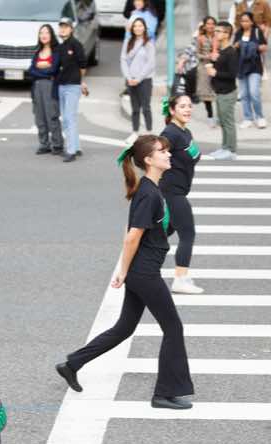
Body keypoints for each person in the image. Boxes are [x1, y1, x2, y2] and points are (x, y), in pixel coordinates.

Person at [55, 135, 195, 410]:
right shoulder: (148, 193)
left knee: (124, 327)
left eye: (167, 150)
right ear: (148, 160)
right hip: (145, 273)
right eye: (162, 151)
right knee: (173, 328)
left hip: (142, 270)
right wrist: (123, 270)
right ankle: (164, 394)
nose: (168, 154)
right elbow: (132, 236)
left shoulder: (151, 189)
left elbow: (137, 230)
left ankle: (72, 364)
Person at [160, 94, 203, 294]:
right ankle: (180, 279)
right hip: (172, 191)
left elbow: (193, 156)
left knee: (161, 233)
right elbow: (155, 155)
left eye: (189, 106)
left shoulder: (185, 132)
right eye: (182, 106)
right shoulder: (170, 133)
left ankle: (137, 264)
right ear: (172, 110)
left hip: (180, 189)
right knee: (187, 233)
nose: (187, 110)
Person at [55, 18, 89, 163]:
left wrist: (81, 82)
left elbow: (83, 65)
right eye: (61, 27)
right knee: (67, 118)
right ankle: (76, 146)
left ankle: (71, 151)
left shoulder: (76, 44)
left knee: (69, 118)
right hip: (61, 86)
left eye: (66, 27)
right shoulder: (60, 47)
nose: (63, 29)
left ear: (71, 29)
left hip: (73, 86)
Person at [29, 24, 63, 156]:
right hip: (36, 87)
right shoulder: (37, 52)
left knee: (52, 116)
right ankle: (44, 144)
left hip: (51, 86)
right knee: (39, 118)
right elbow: (31, 70)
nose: (43, 35)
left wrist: (40, 68)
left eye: (46, 32)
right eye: (41, 33)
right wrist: (44, 69)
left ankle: (57, 145)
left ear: (51, 35)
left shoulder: (56, 51)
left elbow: (53, 70)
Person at [207, 21, 238, 160]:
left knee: (228, 122)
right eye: (216, 31)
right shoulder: (221, 51)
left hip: (227, 92)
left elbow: (232, 74)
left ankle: (231, 150)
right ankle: (225, 147)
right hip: (220, 91)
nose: (216, 33)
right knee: (223, 122)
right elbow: (221, 68)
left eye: (219, 31)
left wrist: (215, 73)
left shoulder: (231, 52)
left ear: (227, 34)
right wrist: (213, 61)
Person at [122, 18, 156, 137]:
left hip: (145, 80)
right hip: (131, 80)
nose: (137, 28)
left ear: (144, 28)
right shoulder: (128, 42)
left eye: (140, 26)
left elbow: (150, 64)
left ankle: (149, 132)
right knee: (135, 108)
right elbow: (123, 60)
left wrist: (138, 78)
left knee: (146, 107)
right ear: (132, 28)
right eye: (135, 26)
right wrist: (128, 77)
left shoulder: (148, 43)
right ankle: (135, 132)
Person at [234, 11, 268, 129]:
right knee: (244, 94)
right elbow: (234, 46)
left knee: (254, 93)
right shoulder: (238, 33)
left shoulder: (257, 32)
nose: (244, 23)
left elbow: (264, 46)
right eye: (242, 21)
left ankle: (260, 117)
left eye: (246, 21)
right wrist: (237, 45)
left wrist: (256, 47)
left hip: (255, 66)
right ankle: (248, 118)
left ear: (252, 22)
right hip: (241, 66)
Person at [193, 17, 218, 127]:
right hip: (204, 67)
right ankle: (210, 116)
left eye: (213, 24)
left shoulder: (218, 37)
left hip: (217, 66)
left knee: (218, 91)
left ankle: (220, 116)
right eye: (208, 24)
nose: (210, 26)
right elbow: (197, 54)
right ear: (204, 25)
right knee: (206, 94)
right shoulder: (200, 38)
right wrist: (207, 56)